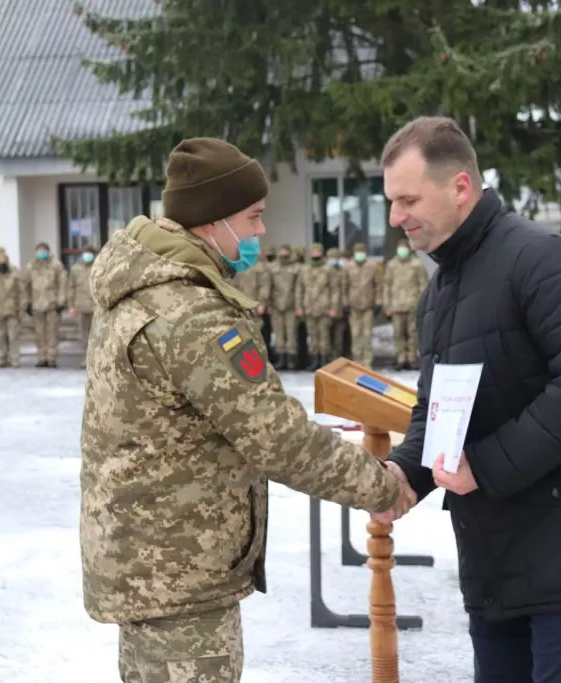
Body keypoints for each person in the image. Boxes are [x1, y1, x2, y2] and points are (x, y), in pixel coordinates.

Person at [79, 136, 413, 683]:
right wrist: (382, 486)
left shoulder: (142, 288)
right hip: (181, 575)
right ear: (213, 221)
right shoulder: (194, 316)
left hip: (150, 565)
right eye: (253, 217)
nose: (261, 232)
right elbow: (277, 437)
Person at [374, 116, 561, 683]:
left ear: (459, 187)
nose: (395, 217)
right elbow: (437, 415)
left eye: (407, 199)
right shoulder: (440, 293)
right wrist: (401, 477)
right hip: (496, 559)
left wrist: (487, 465)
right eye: (391, 201)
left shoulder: (541, 258)